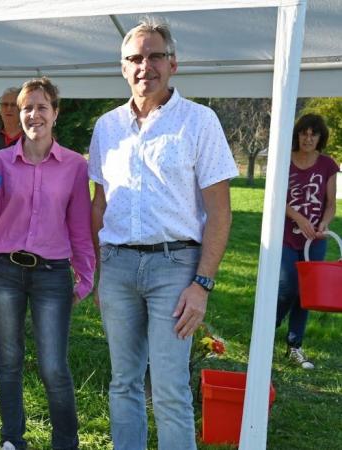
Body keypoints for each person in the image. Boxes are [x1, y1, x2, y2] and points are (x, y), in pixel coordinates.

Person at [88, 17, 238, 450]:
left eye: (155, 56)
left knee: (170, 390)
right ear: (122, 67)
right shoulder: (106, 126)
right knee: (123, 384)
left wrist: (202, 283)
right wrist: (99, 273)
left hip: (175, 268)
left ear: (173, 63)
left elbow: (220, 211)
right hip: (116, 267)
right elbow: (101, 203)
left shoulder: (199, 121)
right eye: (135, 58)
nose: (144, 66)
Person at [0, 77, 94, 450]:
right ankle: (11, 440)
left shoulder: (74, 166)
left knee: (53, 366)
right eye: (26, 108)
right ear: (17, 114)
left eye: (41, 107)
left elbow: (80, 229)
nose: (33, 114)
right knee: (9, 361)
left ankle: (65, 443)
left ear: (55, 113)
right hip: (2, 271)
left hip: (52, 275)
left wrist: (85, 276)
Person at [276, 113, 338, 369]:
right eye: (304, 133)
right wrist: (298, 217)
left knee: (305, 294)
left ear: (320, 137)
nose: (308, 138)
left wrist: (324, 223)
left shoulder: (327, 165)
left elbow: (331, 204)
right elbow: (276, 197)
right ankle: (268, 329)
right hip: (285, 237)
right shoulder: (284, 161)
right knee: (287, 286)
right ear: (297, 135)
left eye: (313, 134)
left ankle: (295, 345)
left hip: (315, 240)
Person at [0, 87, 23, 152]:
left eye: (13, 105)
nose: (9, 109)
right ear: (0, 109)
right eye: (5, 104)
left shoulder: (30, 137)